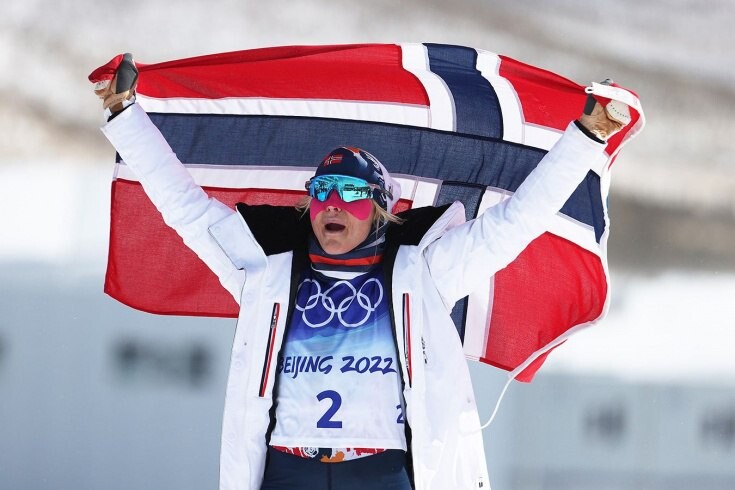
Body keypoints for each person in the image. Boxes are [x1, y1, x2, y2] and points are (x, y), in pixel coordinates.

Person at [93, 54, 628, 490]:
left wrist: (587, 136)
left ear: (379, 209)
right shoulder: (266, 269)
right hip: (288, 469)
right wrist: (124, 114)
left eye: (350, 193)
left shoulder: (425, 271)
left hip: (380, 471)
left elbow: (517, 221)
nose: (332, 203)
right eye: (322, 191)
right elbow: (185, 207)